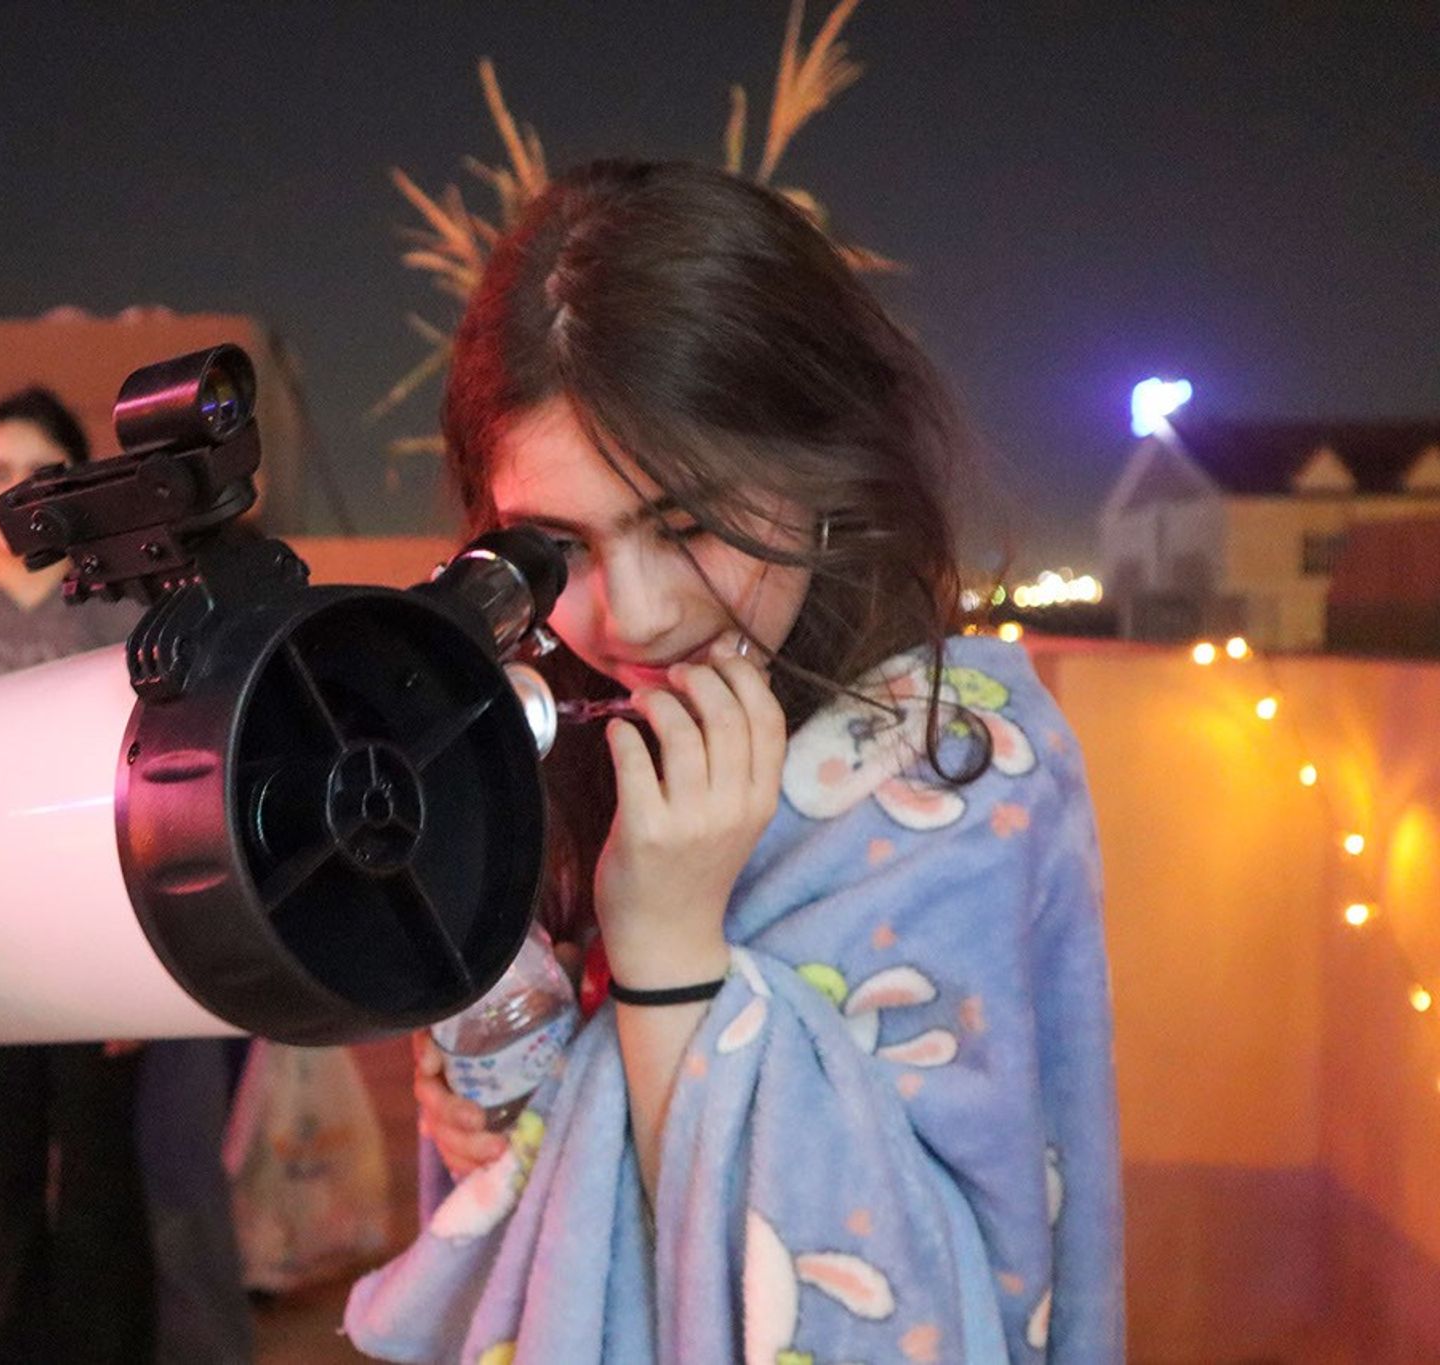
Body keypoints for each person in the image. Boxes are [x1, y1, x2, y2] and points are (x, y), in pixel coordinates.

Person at [344, 160, 1123, 1362]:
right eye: (554, 548)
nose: (634, 615)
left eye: (688, 523)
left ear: (821, 458)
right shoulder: (533, 730)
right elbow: (522, 1158)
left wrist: (664, 955)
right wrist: (484, 1099)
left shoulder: (962, 772)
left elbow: (913, 1289)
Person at [0, 386, 254, 1365]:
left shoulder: (119, 612)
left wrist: (133, 967)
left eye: (37, 475)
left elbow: (151, 791)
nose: (15, 493)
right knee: (0, 1178)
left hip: (87, 952)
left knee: (97, 1174)